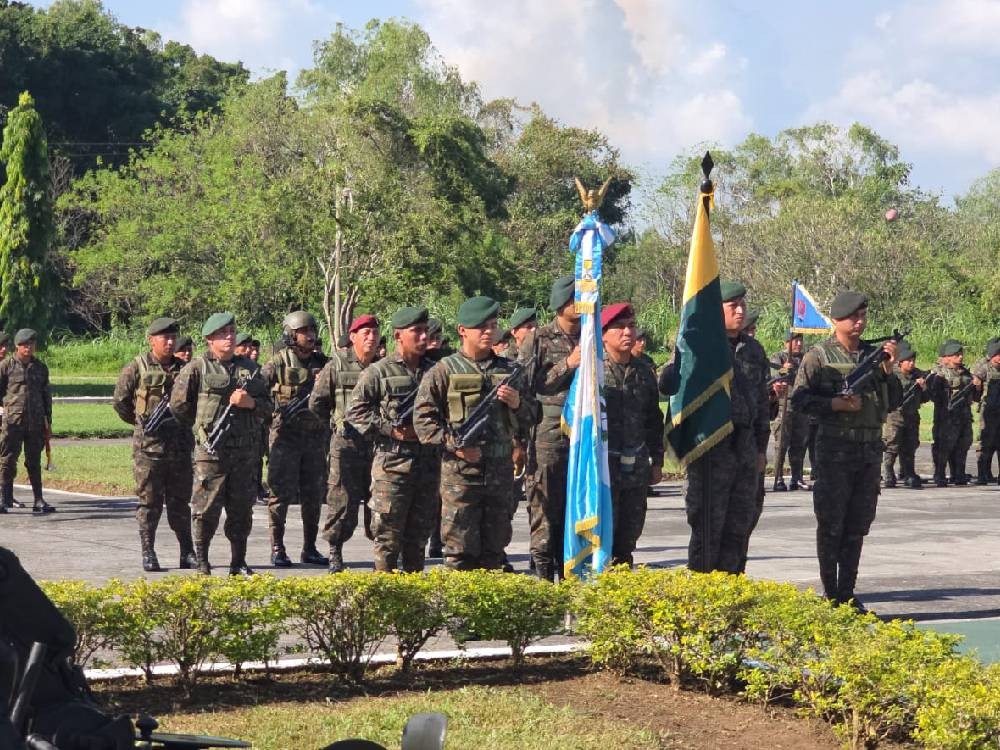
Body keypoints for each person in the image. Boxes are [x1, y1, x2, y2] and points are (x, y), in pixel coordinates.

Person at [790, 291, 901, 611]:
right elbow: (799, 401)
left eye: (863, 315)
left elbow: (893, 402)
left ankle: (848, 591)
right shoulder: (819, 357)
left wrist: (889, 372)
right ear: (837, 320)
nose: (860, 321)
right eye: (853, 316)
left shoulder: (875, 357)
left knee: (857, 524)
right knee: (831, 523)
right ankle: (831, 592)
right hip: (834, 450)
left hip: (868, 450)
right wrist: (834, 404)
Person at [659, 282, 769, 574]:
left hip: (744, 446)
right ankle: (704, 598)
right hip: (710, 448)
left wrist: (760, 448)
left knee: (740, 525)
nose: (740, 310)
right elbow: (671, 384)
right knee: (708, 529)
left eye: (742, 304)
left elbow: (761, 405)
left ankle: (732, 592)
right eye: (733, 306)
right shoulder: (697, 346)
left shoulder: (753, 350)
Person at [414, 296, 528, 570]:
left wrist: (518, 404)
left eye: (492, 325)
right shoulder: (443, 371)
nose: (489, 331)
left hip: (500, 473)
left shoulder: (510, 370)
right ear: (462, 330)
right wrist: (455, 445)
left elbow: (532, 417)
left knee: (495, 549)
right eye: (481, 326)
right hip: (461, 475)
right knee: (459, 552)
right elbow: (423, 421)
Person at [170, 312, 272, 575]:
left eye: (231, 332)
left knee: (241, 511)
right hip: (211, 453)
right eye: (222, 334)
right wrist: (202, 428)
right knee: (205, 511)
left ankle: (238, 562)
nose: (228, 337)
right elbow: (179, 406)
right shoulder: (197, 368)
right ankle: (202, 561)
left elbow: (269, 407)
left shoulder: (249, 369)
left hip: (244, 453)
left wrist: (250, 403)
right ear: (209, 339)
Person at [347, 307, 441, 572]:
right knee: (387, 540)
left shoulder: (436, 370)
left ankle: (413, 605)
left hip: (428, 466)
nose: (423, 337)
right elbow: (355, 411)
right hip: (392, 466)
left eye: (425, 331)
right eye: (416, 332)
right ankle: (384, 603)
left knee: (418, 540)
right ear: (399, 336)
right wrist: (390, 429)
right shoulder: (379, 372)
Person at [112, 317, 196, 571]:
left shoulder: (186, 368)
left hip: (180, 447)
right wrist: (141, 424)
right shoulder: (136, 367)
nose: (170, 342)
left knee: (180, 502)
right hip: (149, 449)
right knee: (149, 503)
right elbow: (120, 401)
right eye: (164, 338)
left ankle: (187, 552)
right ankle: (148, 551)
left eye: (173, 338)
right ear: (152, 340)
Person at [518, 275, 580, 580]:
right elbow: (528, 387)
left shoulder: (593, 337)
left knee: (575, 512)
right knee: (545, 513)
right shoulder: (539, 339)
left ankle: (571, 577)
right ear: (561, 304)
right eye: (574, 298)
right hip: (547, 438)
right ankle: (543, 580)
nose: (581, 304)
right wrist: (568, 364)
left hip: (583, 438)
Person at [309, 313, 381, 572]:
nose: (371, 339)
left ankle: (381, 553)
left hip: (377, 446)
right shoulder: (336, 365)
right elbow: (317, 402)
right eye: (366, 334)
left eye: (375, 333)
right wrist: (333, 423)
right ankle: (335, 553)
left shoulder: (383, 367)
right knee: (342, 500)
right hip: (346, 444)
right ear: (352, 338)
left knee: (380, 500)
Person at [261, 311, 330, 568]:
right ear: (291, 335)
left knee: (313, 496)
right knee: (279, 495)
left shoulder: (324, 363)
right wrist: (272, 414)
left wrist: (325, 383)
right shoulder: (278, 363)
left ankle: (310, 548)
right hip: (285, 438)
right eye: (304, 332)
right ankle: (277, 547)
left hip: (314, 440)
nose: (310, 335)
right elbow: (258, 391)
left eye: (312, 331)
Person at [600, 303, 664, 566]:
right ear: (603, 334)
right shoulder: (594, 371)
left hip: (635, 467)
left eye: (631, 326)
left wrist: (657, 461)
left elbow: (653, 420)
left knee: (628, 536)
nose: (628, 332)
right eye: (620, 327)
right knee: (601, 535)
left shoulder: (643, 373)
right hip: (602, 468)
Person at [0, 329, 55, 514]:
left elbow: (46, 395)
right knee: (7, 460)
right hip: (12, 422)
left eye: (31, 344)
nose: (28, 348)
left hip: (35, 423)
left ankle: (38, 499)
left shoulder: (40, 367)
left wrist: (48, 422)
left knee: (34, 461)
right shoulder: (6, 366)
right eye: (24, 345)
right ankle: (4, 498)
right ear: (17, 346)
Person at [927, 340, 980, 487]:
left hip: (964, 416)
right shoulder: (939, 373)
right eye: (956, 355)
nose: (960, 357)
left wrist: (977, 387)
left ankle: (959, 473)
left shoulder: (966, 373)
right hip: (946, 417)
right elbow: (932, 395)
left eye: (960, 354)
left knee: (963, 445)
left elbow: (976, 397)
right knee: (944, 446)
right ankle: (940, 474)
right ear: (947, 357)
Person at [882, 341, 930, 489]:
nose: (912, 363)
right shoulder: (894, 375)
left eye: (913, 361)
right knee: (892, 445)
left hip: (912, 415)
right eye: (908, 361)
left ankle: (909, 472)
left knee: (910, 445)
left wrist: (923, 387)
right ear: (900, 362)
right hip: (895, 415)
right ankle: (888, 473)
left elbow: (925, 398)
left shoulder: (918, 375)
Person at [770, 331, 810, 491]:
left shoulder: (805, 358)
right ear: (787, 343)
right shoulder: (779, 357)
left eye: (800, 340)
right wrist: (783, 370)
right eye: (795, 341)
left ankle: (797, 477)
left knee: (800, 443)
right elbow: (774, 379)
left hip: (801, 405)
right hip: (784, 405)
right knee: (781, 443)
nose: (799, 344)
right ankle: (778, 476)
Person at [971, 338, 1000, 484]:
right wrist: (976, 385)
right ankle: (983, 473)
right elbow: (975, 391)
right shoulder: (983, 367)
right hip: (988, 411)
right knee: (985, 442)